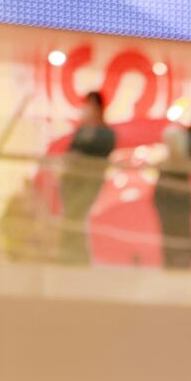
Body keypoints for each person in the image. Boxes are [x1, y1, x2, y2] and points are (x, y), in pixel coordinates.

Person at [58, 91, 115, 266]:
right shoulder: (81, 131)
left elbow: (101, 155)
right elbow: (71, 152)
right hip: (72, 181)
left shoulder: (106, 134)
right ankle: (71, 255)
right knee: (71, 216)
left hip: (90, 181)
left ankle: (77, 256)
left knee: (77, 215)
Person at [155, 106, 191, 270]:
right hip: (167, 200)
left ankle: (182, 260)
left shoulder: (187, 156)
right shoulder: (166, 164)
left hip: (180, 200)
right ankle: (173, 261)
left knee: (181, 230)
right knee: (170, 232)